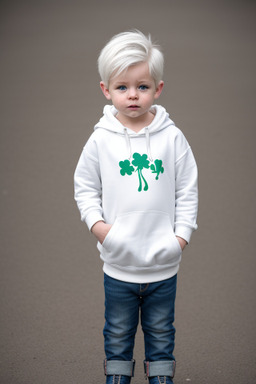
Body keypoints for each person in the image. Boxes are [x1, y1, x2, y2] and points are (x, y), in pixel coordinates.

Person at [74, 30, 198, 384]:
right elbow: (84, 187)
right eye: (122, 87)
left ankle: (161, 377)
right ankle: (118, 377)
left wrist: (181, 237)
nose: (132, 95)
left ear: (158, 89)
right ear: (105, 90)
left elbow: (188, 188)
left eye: (142, 87)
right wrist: (102, 230)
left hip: (164, 263)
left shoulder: (172, 137)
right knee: (117, 333)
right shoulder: (100, 139)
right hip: (119, 264)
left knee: (161, 333)